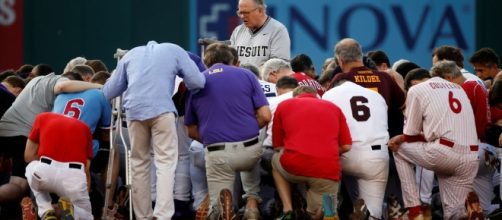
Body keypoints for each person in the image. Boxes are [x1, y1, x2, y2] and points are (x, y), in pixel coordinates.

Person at [102, 40, 205, 219]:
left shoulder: (131, 54)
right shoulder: (175, 50)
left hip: (134, 111)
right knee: (165, 162)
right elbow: (198, 82)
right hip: (163, 110)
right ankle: (163, 215)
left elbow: (109, 91)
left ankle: (143, 216)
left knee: (139, 164)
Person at [185, 43, 271, 219]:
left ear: (206, 62)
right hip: (249, 150)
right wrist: (247, 132)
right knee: (252, 154)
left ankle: (222, 210)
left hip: (218, 153)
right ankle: (252, 203)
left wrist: (214, 138)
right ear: (232, 60)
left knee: (217, 208)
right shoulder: (247, 74)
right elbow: (265, 115)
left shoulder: (196, 82)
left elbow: (191, 130)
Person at [387, 62, 483, 219]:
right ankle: (463, 213)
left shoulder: (417, 90)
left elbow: (410, 135)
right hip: (471, 157)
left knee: (398, 148)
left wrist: (400, 138)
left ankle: (414, 208)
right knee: (453, 212)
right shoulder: (459, 89)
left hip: (444, 153)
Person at [0, 70, 101, 207]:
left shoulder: (37, 80)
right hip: (21, 134)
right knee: (28, 180)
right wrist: (99, 87)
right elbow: (62, 86)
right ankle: (50, 207)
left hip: (6, 131)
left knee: (18, 183)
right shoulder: (58, 81)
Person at [272, 85, 351, 219]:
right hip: (326, 170)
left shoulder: (284, 105)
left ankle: (288, 209)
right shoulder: (334, 108)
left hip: (294, 165)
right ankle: (325, 212)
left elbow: (278, 145)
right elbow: (346, 146)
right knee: (328, 210)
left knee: (275, 160)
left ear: (295, 96)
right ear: (316, 96)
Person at [429, 60, 497, 216]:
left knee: (453, 206)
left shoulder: (460, 90)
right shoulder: (477, 85)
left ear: (448, 78)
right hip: (489, 152)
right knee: (484, 208)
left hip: (470, 152)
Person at [322, 79, 389, 219]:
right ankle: (366, 212)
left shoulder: (330, 94)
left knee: (324, 187)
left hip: (346, 152)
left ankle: (329, 210)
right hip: (377, 154)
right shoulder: (376, 96)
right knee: (374, 213)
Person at [24, 112, 94, 219]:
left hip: (44, 172)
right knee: (85, 215)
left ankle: (46, 210)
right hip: (74, 176)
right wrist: (83, 197)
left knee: (31, 167)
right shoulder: (86, 128)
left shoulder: (42, 117)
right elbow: (86, 170)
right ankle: (72, 211)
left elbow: (28, 156)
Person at [231, 0, 290, 67]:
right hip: (241, 77)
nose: (242, 16)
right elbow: (230, 62)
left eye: (246, 13)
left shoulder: (278, 30)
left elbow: (279, 66)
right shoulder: (237, 31)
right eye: (240, 13)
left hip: (263, 77)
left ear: (260, 11)